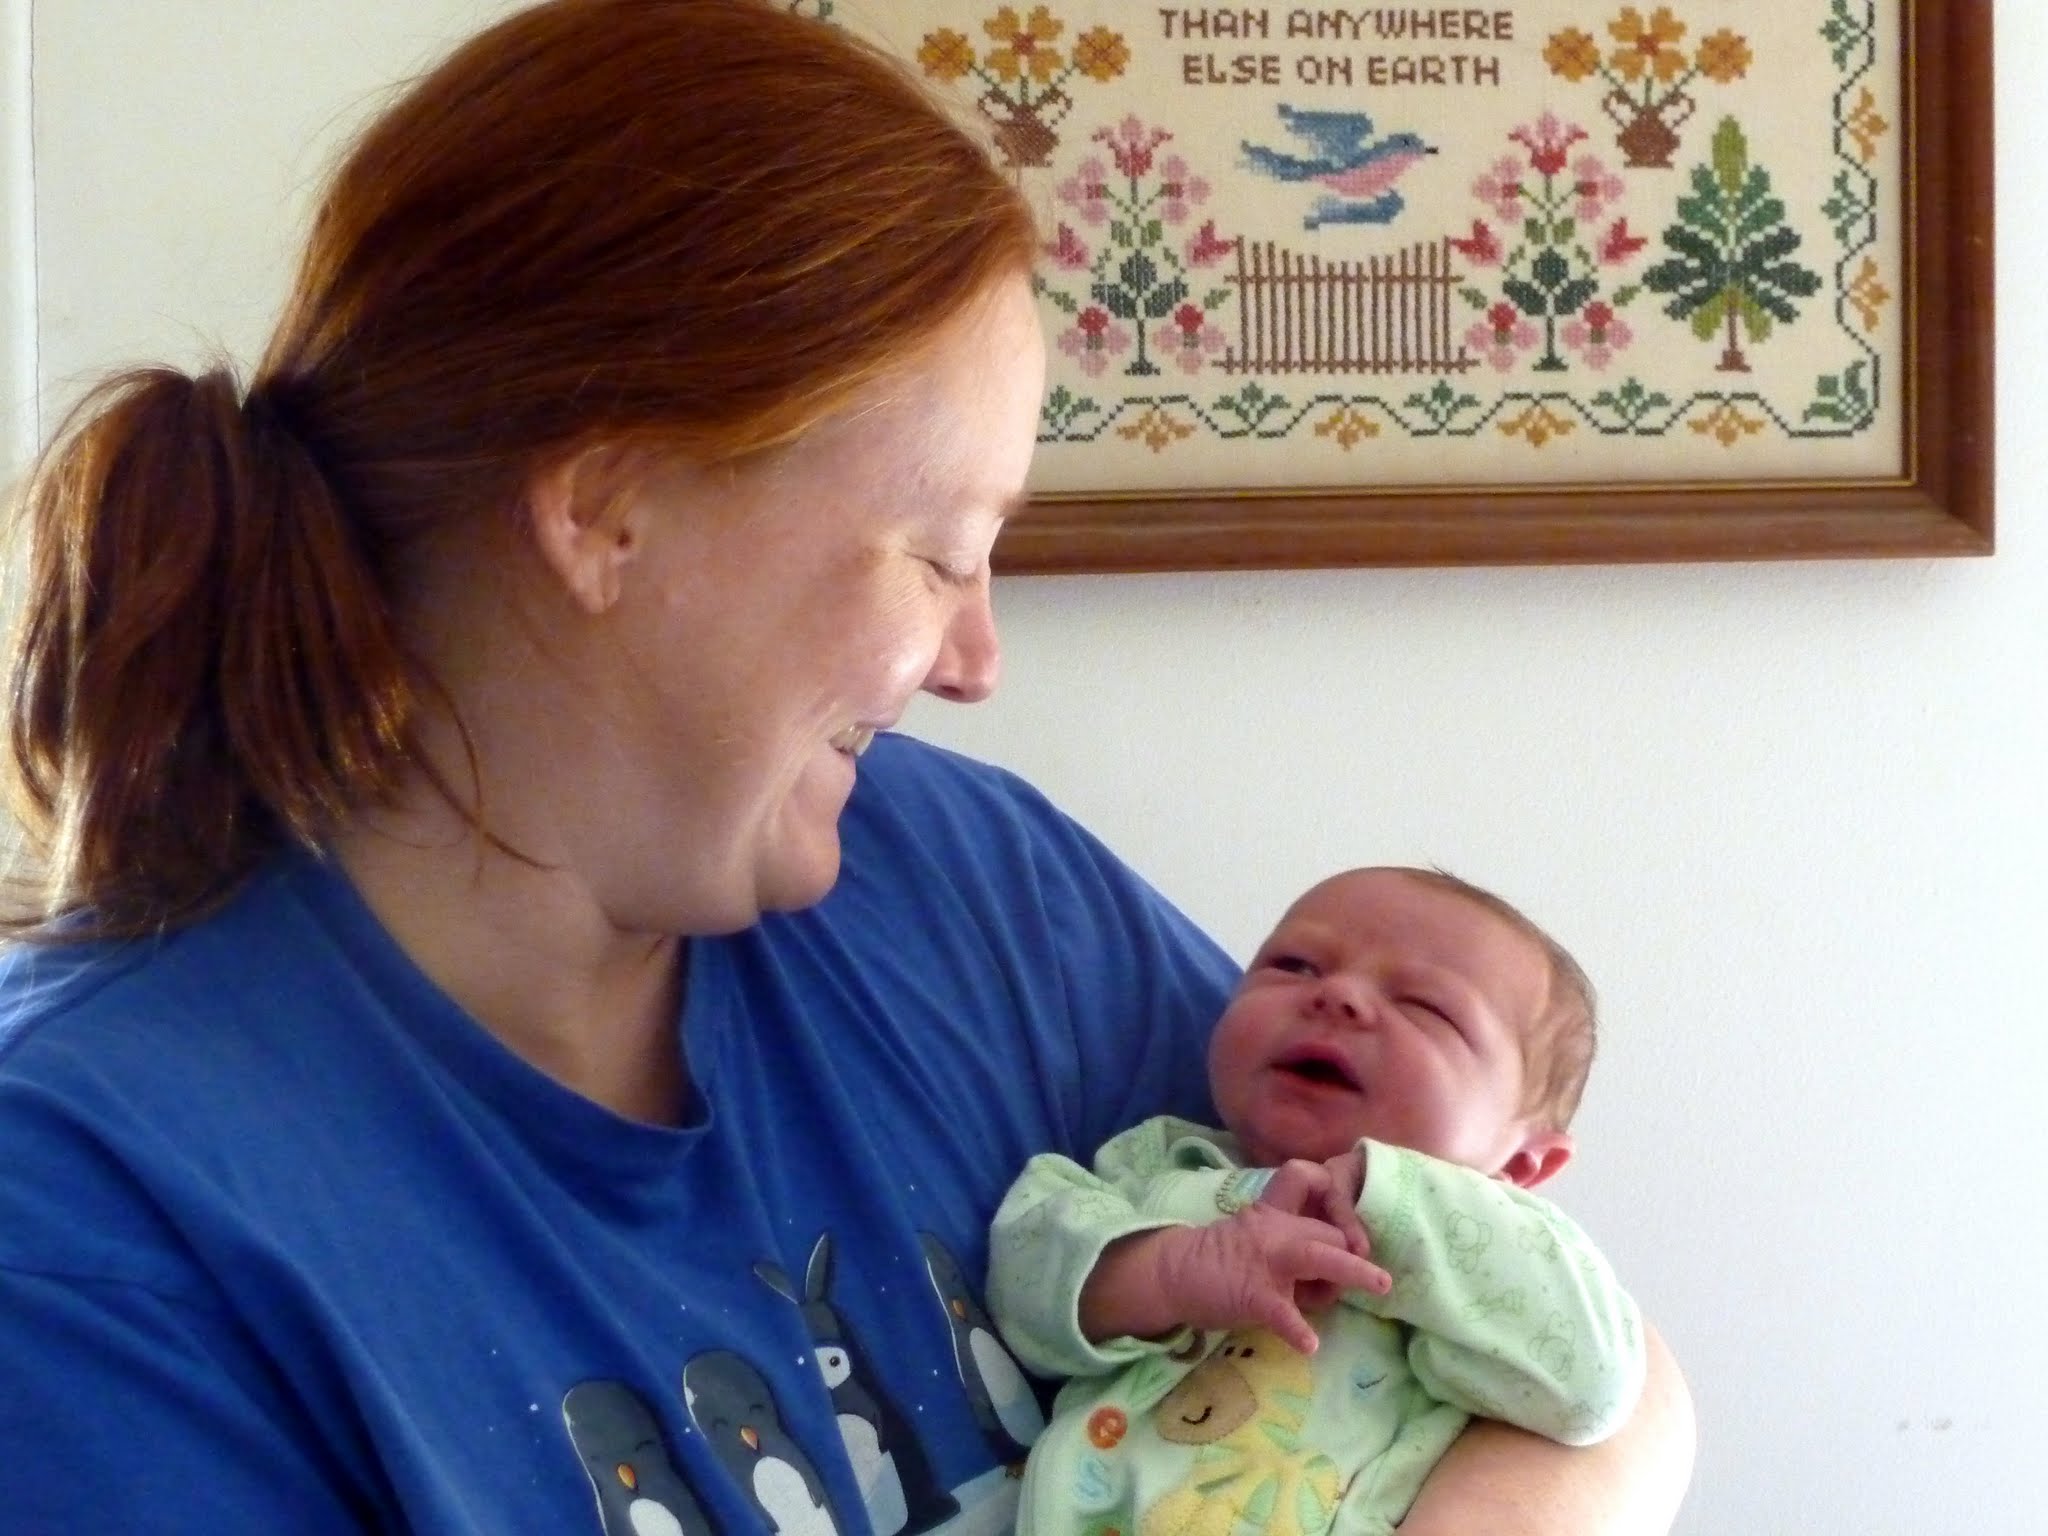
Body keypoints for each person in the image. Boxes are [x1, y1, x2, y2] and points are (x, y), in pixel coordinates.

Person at [0, 1, 1691, 1532]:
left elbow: (1598, 1370)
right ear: (609, 507)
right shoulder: (88, 1213)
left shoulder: (968, 888)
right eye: (938, 554)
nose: (974, 660)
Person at [989, 867, 1644, 1535]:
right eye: (1294, 965)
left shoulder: (1510, 1254)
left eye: (1426, 1006)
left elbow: (1592, 1390)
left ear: (1524, 1162)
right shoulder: (1161, 1164)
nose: (1338, 995)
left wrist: (1395, 1201)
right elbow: (1025, 1276)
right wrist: (1169, 1270)